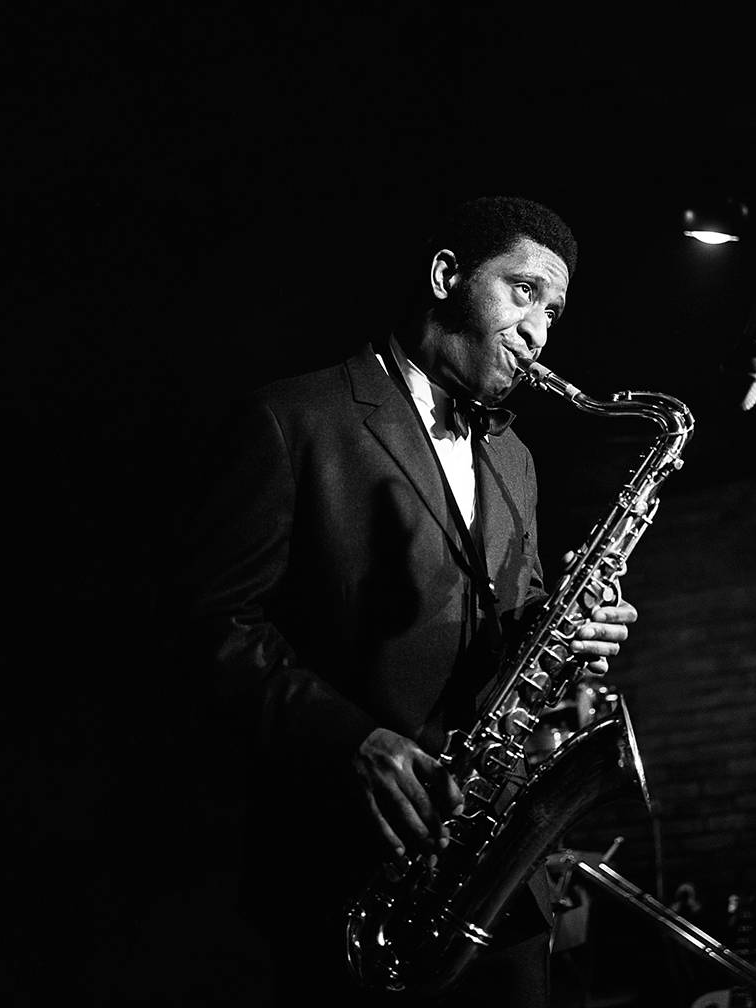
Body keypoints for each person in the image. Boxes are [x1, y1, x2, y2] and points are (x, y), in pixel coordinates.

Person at [174, 195, 637, 1007]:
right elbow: (210, 624)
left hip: (493, 886)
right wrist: (351, 742)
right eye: (524, 291)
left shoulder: (517, 457)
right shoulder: (293, 418)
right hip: (345, 874)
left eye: (555, 310)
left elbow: (502, 629)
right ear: (446, 275)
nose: (540, 329)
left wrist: (559, 630)